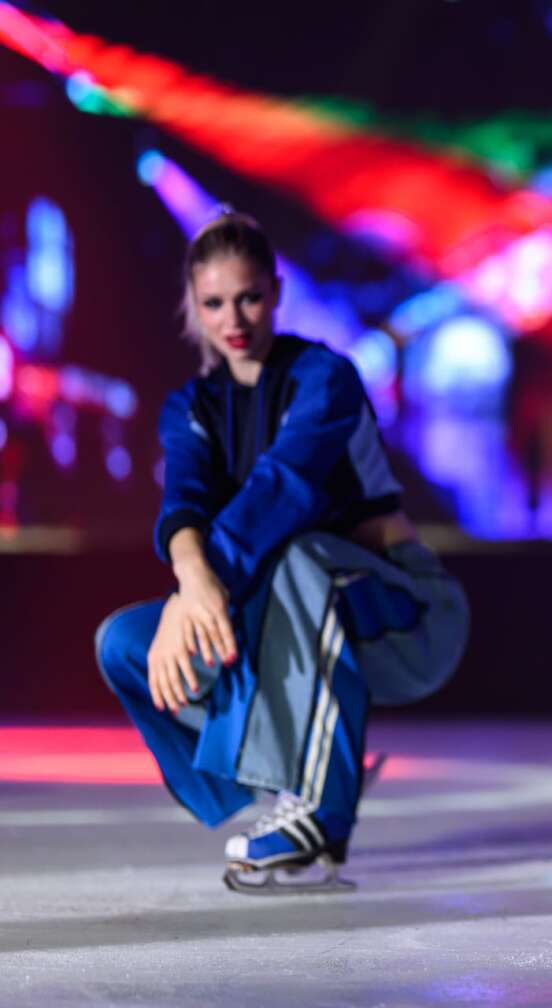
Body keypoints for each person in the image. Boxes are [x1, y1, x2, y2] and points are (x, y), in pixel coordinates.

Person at [95, 212, 469, 892]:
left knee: (297, 555)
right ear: (193, 305)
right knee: (124, 640)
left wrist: (201, 588)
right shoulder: (190, 406)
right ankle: (281, 773)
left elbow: (285, 489)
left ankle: (320, 812)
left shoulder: (324, 377)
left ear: (276, 291)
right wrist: (189, 580)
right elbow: (183, 497)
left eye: (249, 297)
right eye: (213, 302)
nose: (232, 317)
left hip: (402, 615)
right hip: (279, 617)